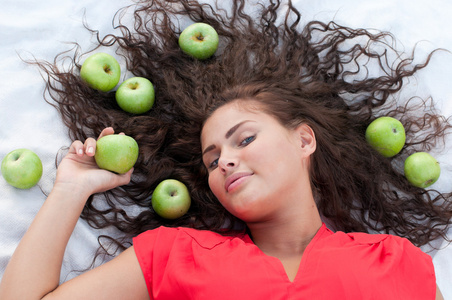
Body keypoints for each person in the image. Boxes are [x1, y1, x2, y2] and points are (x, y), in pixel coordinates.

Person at [0, 0, 451, 298]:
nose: (225, 161)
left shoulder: (398, 263)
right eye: (213, 160)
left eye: (245, 138)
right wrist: (70, 189)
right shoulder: (174, 255)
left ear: (304, 139)